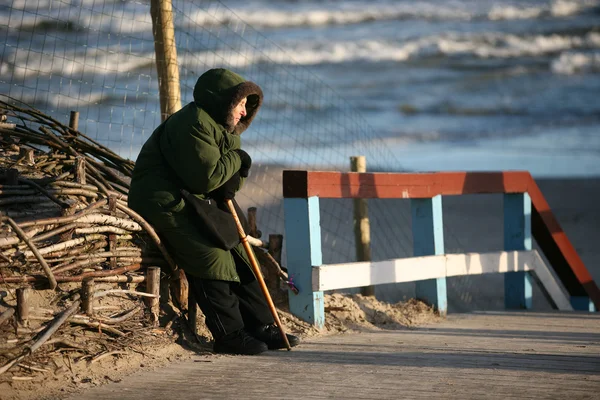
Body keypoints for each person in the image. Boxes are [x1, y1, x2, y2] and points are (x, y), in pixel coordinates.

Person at [128, 68, 299, 355]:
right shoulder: (191, 123)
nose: (244, 113)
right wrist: (238, 159)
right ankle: (229, 334)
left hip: (194, 199)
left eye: (247, 106)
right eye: (240, 104)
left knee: (241, 251)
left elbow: (227, 184)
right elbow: (206, 178)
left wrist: (235, 163)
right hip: (165, 200)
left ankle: (261, 325)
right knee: (211, 254)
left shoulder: (225, 129)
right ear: (222, 100)